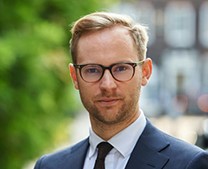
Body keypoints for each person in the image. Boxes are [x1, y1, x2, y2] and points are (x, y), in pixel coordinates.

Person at [34, 11, 208, 169]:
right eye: (92, 70)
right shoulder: (49, 166)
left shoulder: (190, 164)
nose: (107, 85)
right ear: (74, 77)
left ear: (145, 72)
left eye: (121, 68)